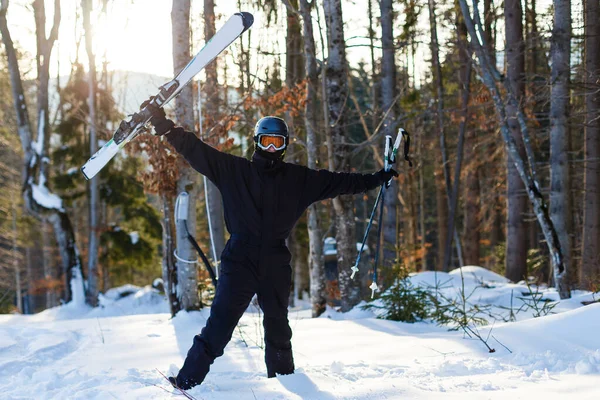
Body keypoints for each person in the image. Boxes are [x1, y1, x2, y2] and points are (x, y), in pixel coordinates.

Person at [145, 104, 398, 390]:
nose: (272, 148)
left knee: (278, 325)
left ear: (285, 145)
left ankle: (283, 382)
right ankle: (185, 382)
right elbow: (194, 150)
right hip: (240, 258)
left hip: (276, 260)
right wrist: (164, 126)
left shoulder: (298, 179)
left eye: (278, 142)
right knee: (220, 324)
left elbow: (339, 182)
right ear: (257, 142)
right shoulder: (233, 170)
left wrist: (377, 178)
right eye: (267, 141)